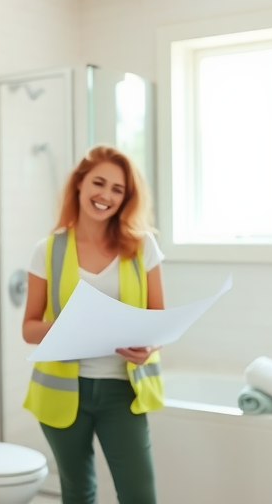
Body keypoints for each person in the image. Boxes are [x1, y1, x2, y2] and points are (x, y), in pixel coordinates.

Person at [22, 145, 165, 504]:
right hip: (62, 392)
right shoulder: (48, 250)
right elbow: (30, 328)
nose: (106, 195)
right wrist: (75, 326)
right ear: (80, 184)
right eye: (99, 183)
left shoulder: (142, 246)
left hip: (122, 391)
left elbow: (158, 321)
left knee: (139, 495)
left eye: (118, 189)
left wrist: (149, 347)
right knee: (78, 492)